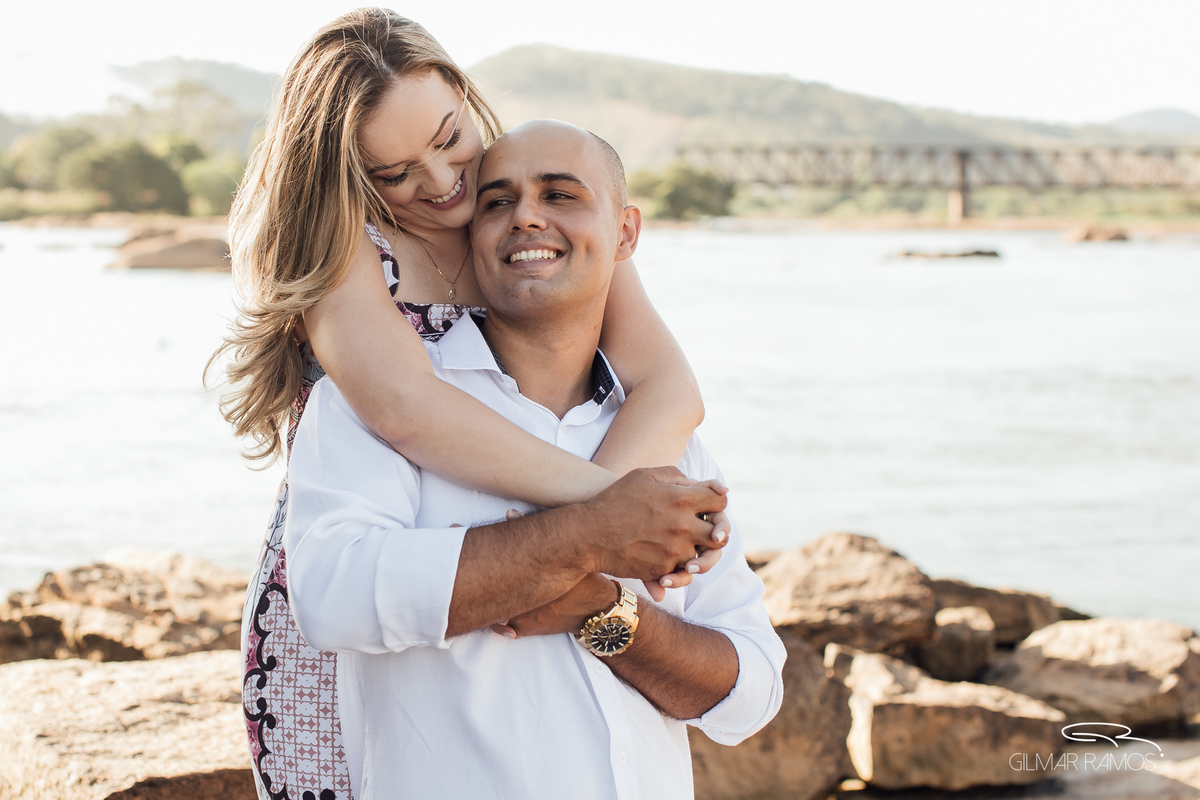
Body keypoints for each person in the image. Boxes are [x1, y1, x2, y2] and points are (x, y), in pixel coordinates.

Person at [211, 9, 724, 800]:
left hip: (529, 561)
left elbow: (670, 388)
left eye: (449, 138)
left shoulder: (531, 209)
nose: (442, 181)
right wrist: (609, 518)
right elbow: (405, 408)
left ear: (461, 89)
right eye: (395, 172)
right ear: (349, 174)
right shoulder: (346, 243)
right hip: (390, 562)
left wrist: (596, 541)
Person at [285, 118, 785, 799]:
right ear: (471, 236)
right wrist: (585, 535)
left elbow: (750, 694)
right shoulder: (366, 408)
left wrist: (604, 612)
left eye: (560, 195)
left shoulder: (668, 442)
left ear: (626, 235)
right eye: (496, 202)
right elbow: (333, 594)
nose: (525, 217)